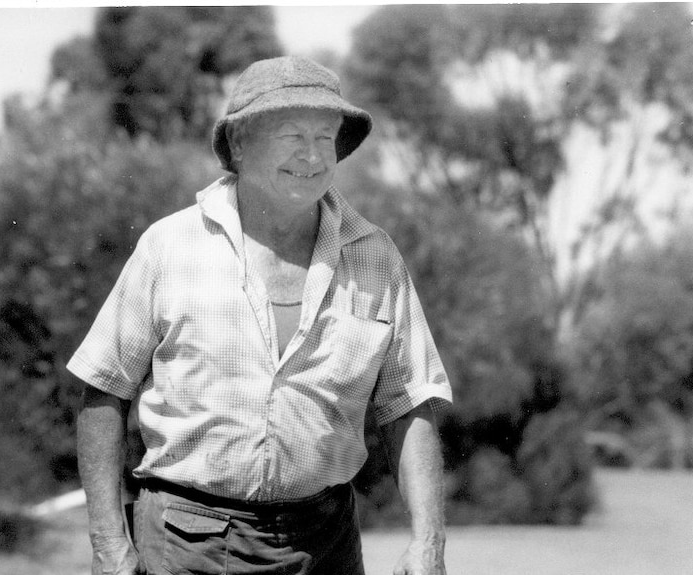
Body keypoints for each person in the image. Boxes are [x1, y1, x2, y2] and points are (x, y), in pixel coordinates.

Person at [69, 55, 453, 575]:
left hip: (325, 543)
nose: (312, 155)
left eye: (325, 136)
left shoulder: (375, 256)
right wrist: (108, 542)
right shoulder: (170, 246)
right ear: (240, 143)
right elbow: (103, 390)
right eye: (292, 134)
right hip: (185, 544)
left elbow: (410, 405)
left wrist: (429, 542)